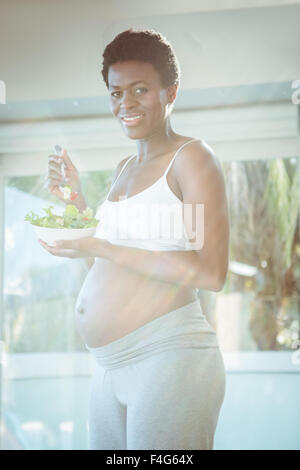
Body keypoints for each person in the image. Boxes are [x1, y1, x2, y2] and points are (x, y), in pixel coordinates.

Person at [42, 28, 230, 450]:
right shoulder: (123, 169)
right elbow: (110, 269)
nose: (125, 103)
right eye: (115, 92)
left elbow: (210, 271)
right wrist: (75, 203)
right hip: (108, 364)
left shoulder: (192, 159)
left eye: (140, 89)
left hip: (169, 354)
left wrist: (101, 246)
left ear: (171, 92)